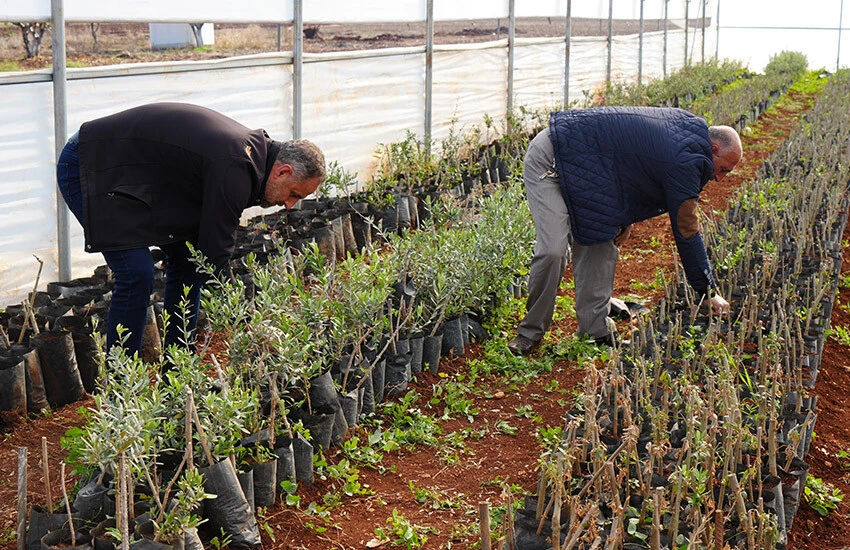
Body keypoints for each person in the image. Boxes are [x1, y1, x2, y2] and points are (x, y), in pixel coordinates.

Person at [56, 102, 326, 356]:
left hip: (136, 174)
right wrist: (245, 322)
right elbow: (214, 254)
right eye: (294, 194)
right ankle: (123, 379)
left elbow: (205, 250)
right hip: (91, 162)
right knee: (136, 273)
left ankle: (178, 364)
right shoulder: (237, 168)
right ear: (282, 172)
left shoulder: (252, 160)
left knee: (188, 259)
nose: (290, 205)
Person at [508, 106, 742, 356]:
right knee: (553, 250)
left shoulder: (688, 134)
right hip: (553, 158)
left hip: (592, 171)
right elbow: (687, 230)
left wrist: (625, 216)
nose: (720, 178)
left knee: (602, 237)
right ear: (713, 149)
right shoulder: (686, 161)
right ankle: (530, 332)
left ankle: (595, 330)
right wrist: (708, 291)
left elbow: (633, 168)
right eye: (723, 170)